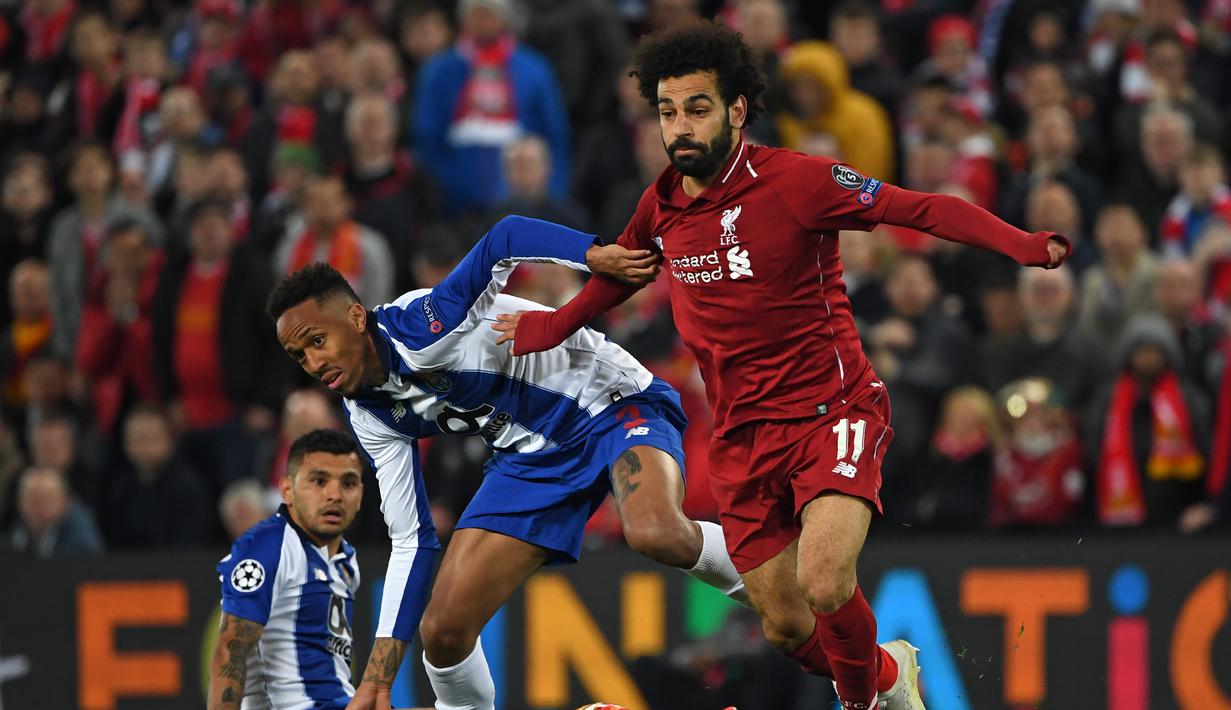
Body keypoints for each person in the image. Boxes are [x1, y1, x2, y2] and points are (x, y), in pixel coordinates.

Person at [497, 22, 1070, 710]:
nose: (679, 127)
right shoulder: (663, 201)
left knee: (827, 582)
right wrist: (552, 325)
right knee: (785, 624)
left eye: (697, 109)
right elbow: (623, 270)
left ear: (736, 109)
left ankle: (861, 704)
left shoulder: (797, 181)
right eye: (667, 111)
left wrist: (1023, 244)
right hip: (742, 438)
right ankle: (889, 680)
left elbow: (918, 208)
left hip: (833, 412)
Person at [266, 216, 748, 710]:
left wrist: (593, 255)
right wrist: (377, 678)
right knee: (444, 631)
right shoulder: (369, 415)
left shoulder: (425, 326)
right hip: (530, 456)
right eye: (298, 355)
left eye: (316, 341)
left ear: (355, 317)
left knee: (657, 533)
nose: (312, 362)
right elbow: (412, 539)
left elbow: (505, 237)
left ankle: (779, 584)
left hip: (610, 403)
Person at [207, 429, 365, 709]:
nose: (334, 495)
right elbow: (232, 650)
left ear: (361, 494)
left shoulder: (347, 560)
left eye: (348, 483)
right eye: (319, 481)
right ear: (288, 490)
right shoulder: (266, 547)